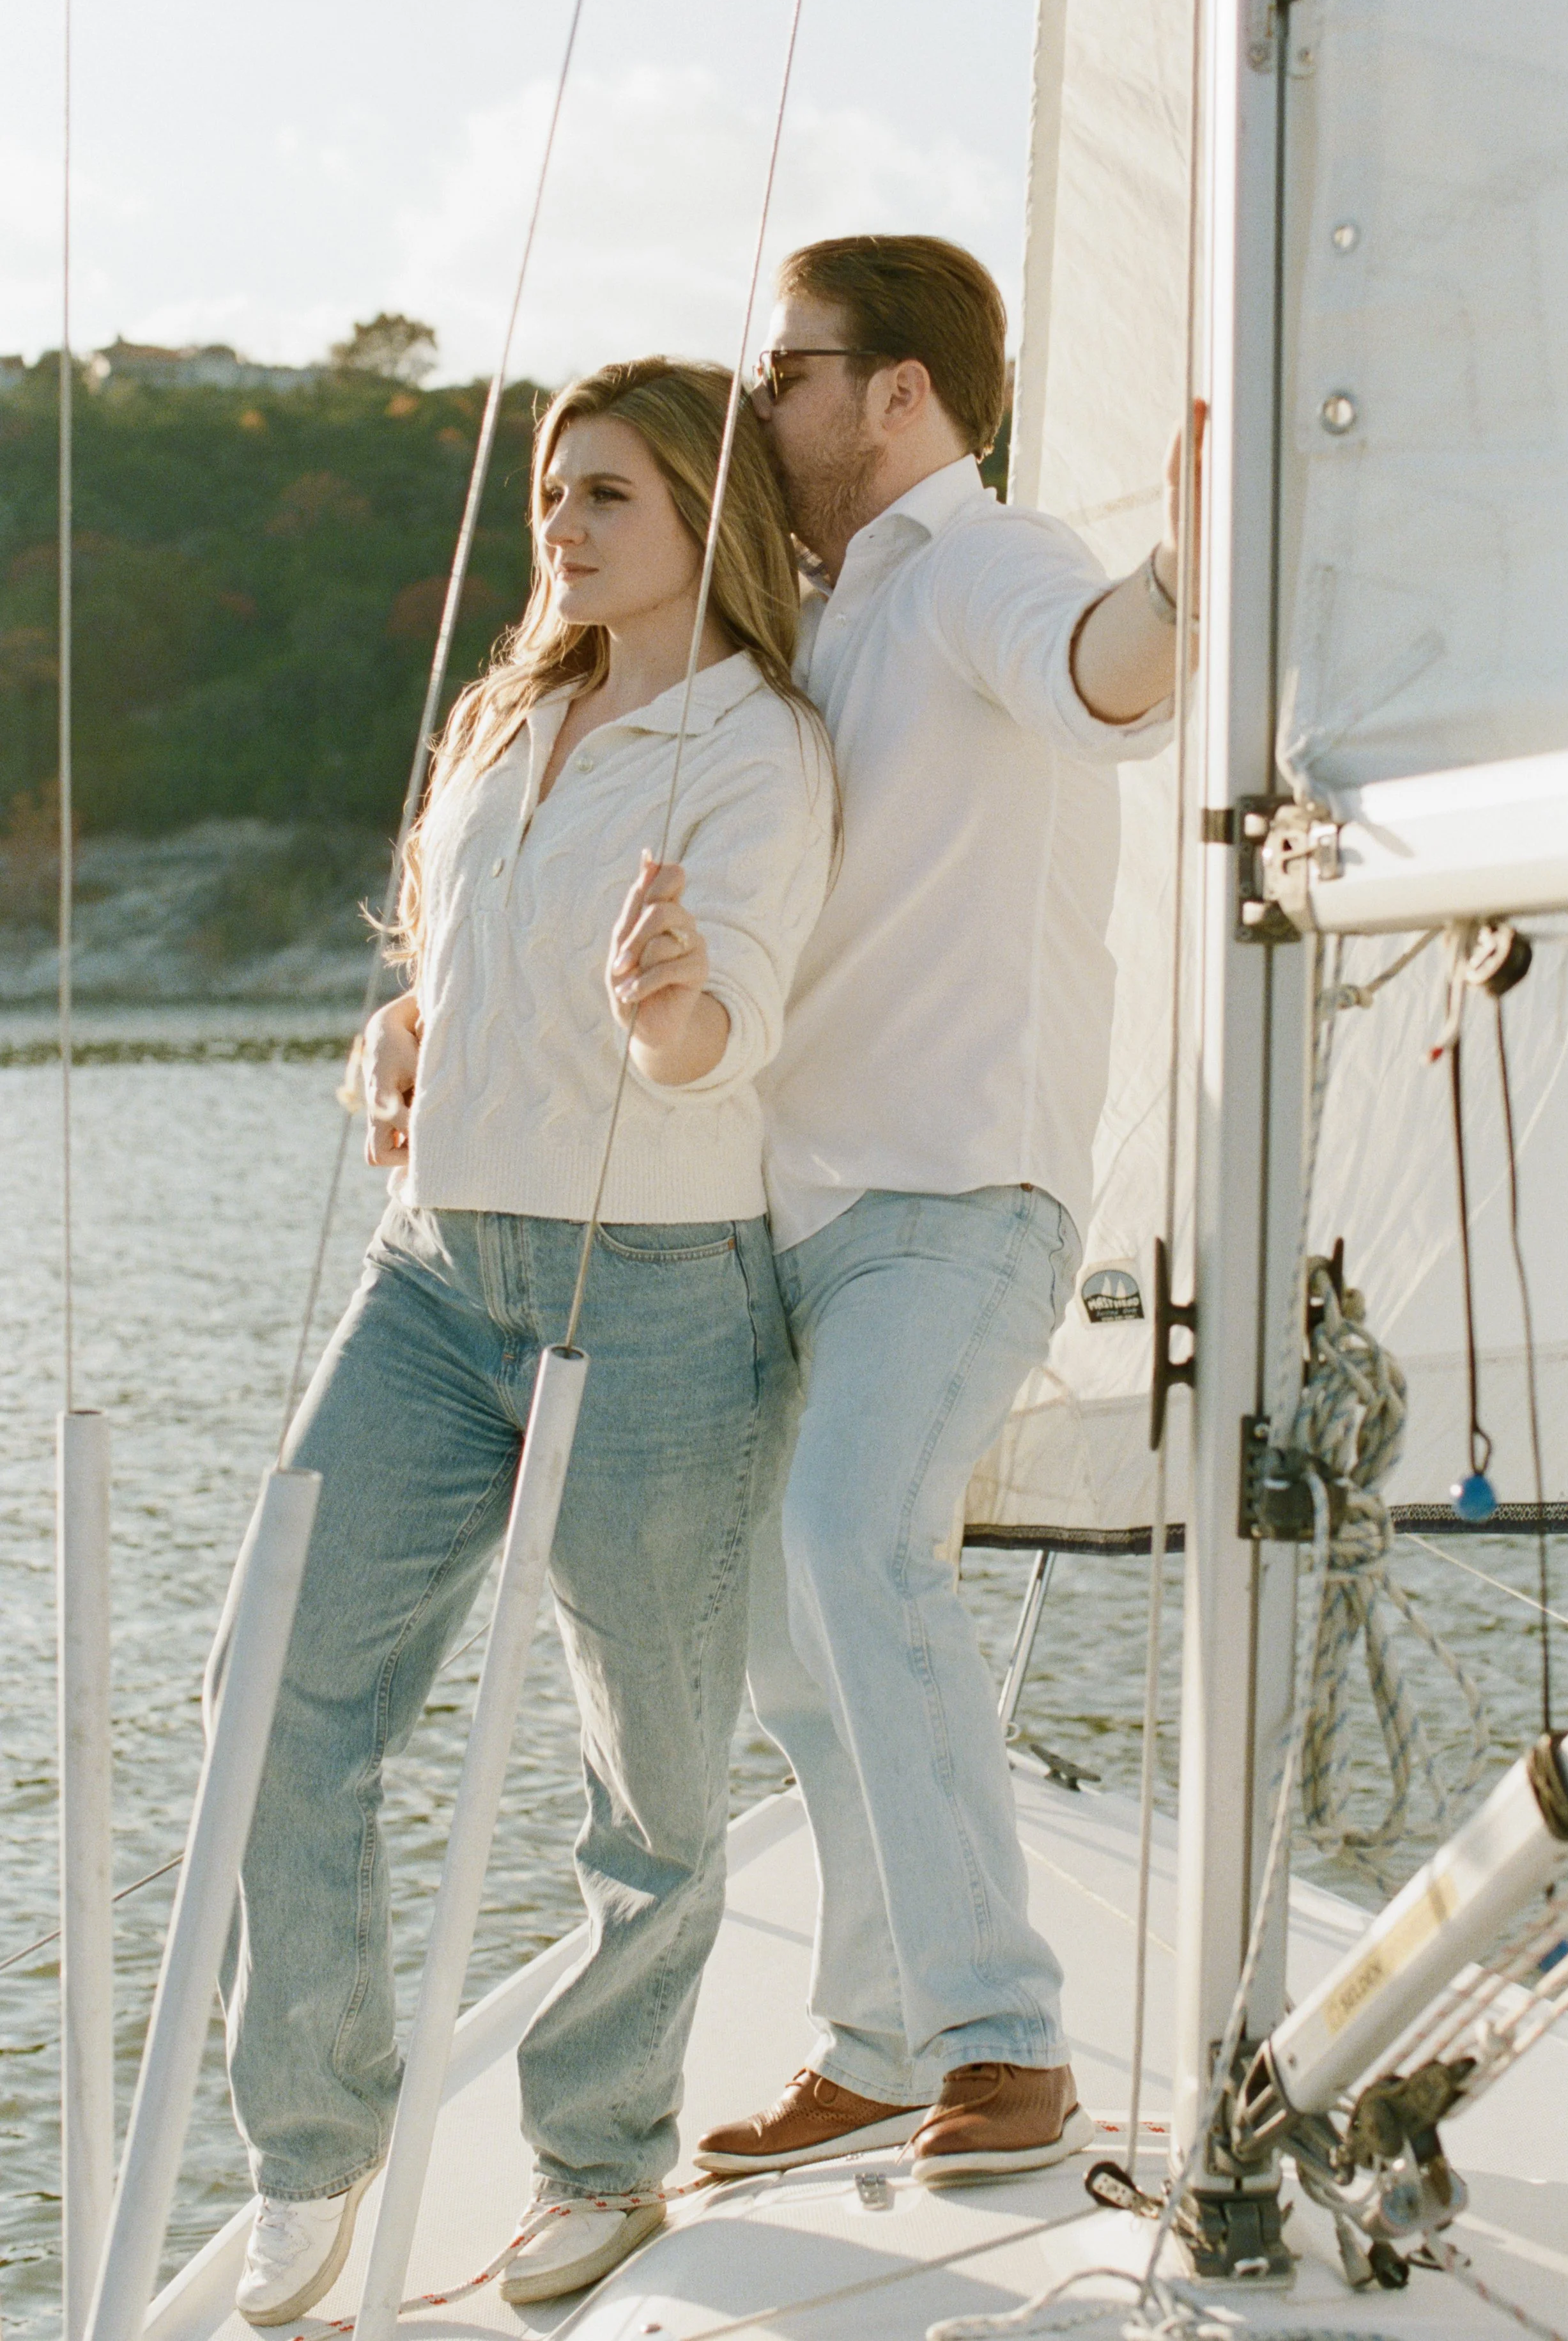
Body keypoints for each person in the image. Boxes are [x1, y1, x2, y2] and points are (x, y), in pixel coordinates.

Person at [223, 357, 834, 2323]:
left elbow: (714, 1022)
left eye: (610, 498)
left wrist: (666, 1003)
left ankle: (600, 2161)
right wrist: (395, 1038)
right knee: (278, 1680)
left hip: (657, 1290)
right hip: (429, 1281)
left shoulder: (761, 749)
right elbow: (438, 970)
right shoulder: (512, 716)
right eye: (553, 493)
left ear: (700, 528)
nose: (562, 526)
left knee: (644, 1776)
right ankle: (312, 2150)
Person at [695, 235, 1192, 2186]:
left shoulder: (976, 560)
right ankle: (885, 2031)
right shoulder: (804, 615)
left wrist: (1173, 584)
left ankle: (1001, 2033)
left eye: (787, 370)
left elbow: (1103, 675)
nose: (760, 404)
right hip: (794, 1205)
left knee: (852, 1548)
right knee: (783, 1633)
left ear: (898, 393)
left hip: (952, 1191)